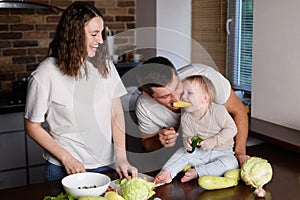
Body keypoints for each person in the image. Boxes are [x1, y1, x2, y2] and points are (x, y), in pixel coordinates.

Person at [24, 2, 137, 181]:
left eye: (101, 33)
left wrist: (121, 157)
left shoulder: (105, 65)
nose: (100, 40)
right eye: (94, 34)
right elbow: (32, 126)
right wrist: (66, 158)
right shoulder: (45, 74)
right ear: (74, 35)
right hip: (65, 168)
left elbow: (116, 112)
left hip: (106, 164)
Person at [135, 56, 250, 166]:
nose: (176, 98)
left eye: (176, 87)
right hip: (190, 152)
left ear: (177, 75)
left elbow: (239, 111)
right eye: (165, 96)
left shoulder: (205, 77)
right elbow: (147, 143)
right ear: (149, 95)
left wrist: (239, 153)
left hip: (223, 145)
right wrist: (160, 140)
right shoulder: (145, 106)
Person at [153, 75, 239, 184]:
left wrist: (215, 141)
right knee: (182, 153)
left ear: (205, 98)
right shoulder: (186, 117)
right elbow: (187, 137)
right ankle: (167, 173)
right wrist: (188, 142)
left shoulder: (218, 111)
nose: (183, 97)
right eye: (182, 93)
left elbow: (232, 129)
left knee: (232, 163)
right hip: (200, 152)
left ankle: (198, 172)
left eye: (189, 93)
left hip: (222, 152)